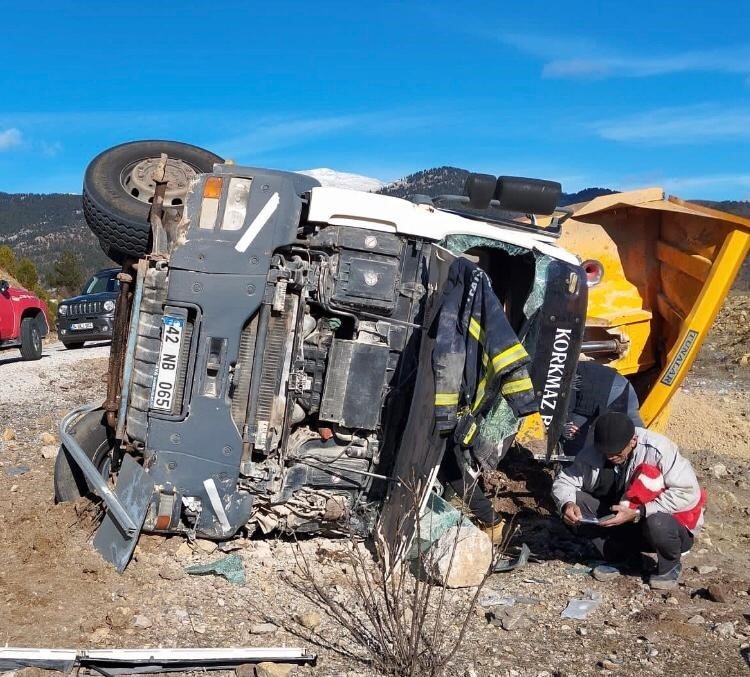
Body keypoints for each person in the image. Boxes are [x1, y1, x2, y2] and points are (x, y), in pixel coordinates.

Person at [552, 411, 706, 590]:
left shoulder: (659, 449)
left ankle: (668, 567)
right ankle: (622, 557)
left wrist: (640, 511)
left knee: (658, 522)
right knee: (577, 501)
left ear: (633, 441)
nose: (610, 457)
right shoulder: (594, 452)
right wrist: (567, 503)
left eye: (617, 452)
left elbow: (687, 493)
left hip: (666, 528)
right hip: (624, 522)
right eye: (606, 453)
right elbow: (564, 480)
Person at [561, 361, 643, 456]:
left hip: (610, 391)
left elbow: (565, 390)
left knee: (573, 439)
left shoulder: (551, 375)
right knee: (637, 431)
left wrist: (565, 422)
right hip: (614, 385)